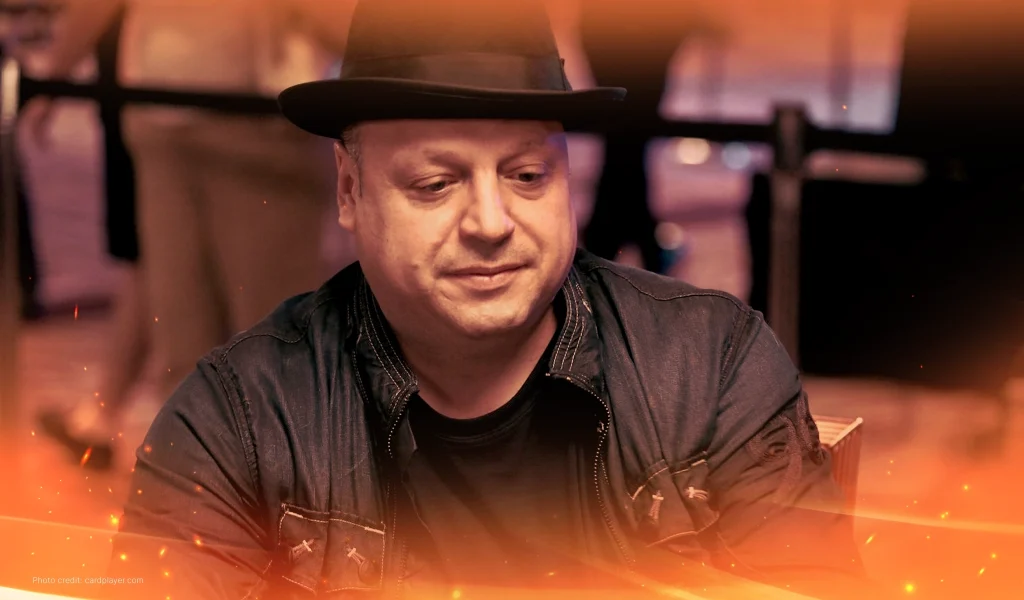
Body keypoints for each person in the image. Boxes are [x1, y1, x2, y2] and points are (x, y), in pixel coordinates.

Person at [105, 1, 882, 598]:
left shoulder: (710, 367)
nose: (489, 223)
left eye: (527, 176)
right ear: (349, 189)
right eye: (435, 184)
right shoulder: (237, 418)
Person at [25, 0, 355, 470]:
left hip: (224, 119)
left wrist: (54, 74)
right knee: (217, 337)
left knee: (237, 337)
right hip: (200, 116)